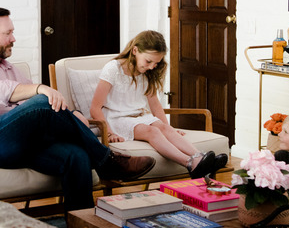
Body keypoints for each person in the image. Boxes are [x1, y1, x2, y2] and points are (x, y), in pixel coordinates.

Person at [0, 7, 156, 211]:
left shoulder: (8, 67)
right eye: (7, 33)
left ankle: (80, 224)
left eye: (13, 32)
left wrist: (72, 115)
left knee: (76, 156)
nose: (13, 38)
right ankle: (107, 161)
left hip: (17, 141)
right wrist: (40, 88)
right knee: (42, 101)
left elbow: (29, 108)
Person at [89, 30, 227, 179]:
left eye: (156, 63)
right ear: (135, 50)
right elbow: (95, 107)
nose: (151, 67)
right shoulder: (113, 69)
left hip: (139, 116)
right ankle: (189, 163)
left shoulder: (147, 73)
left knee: (163, 127)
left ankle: (201, 157)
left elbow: (155, 106)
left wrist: (169, 129)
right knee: (152, 132)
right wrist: (109, 133)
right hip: (116, 119)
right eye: (148, 61)